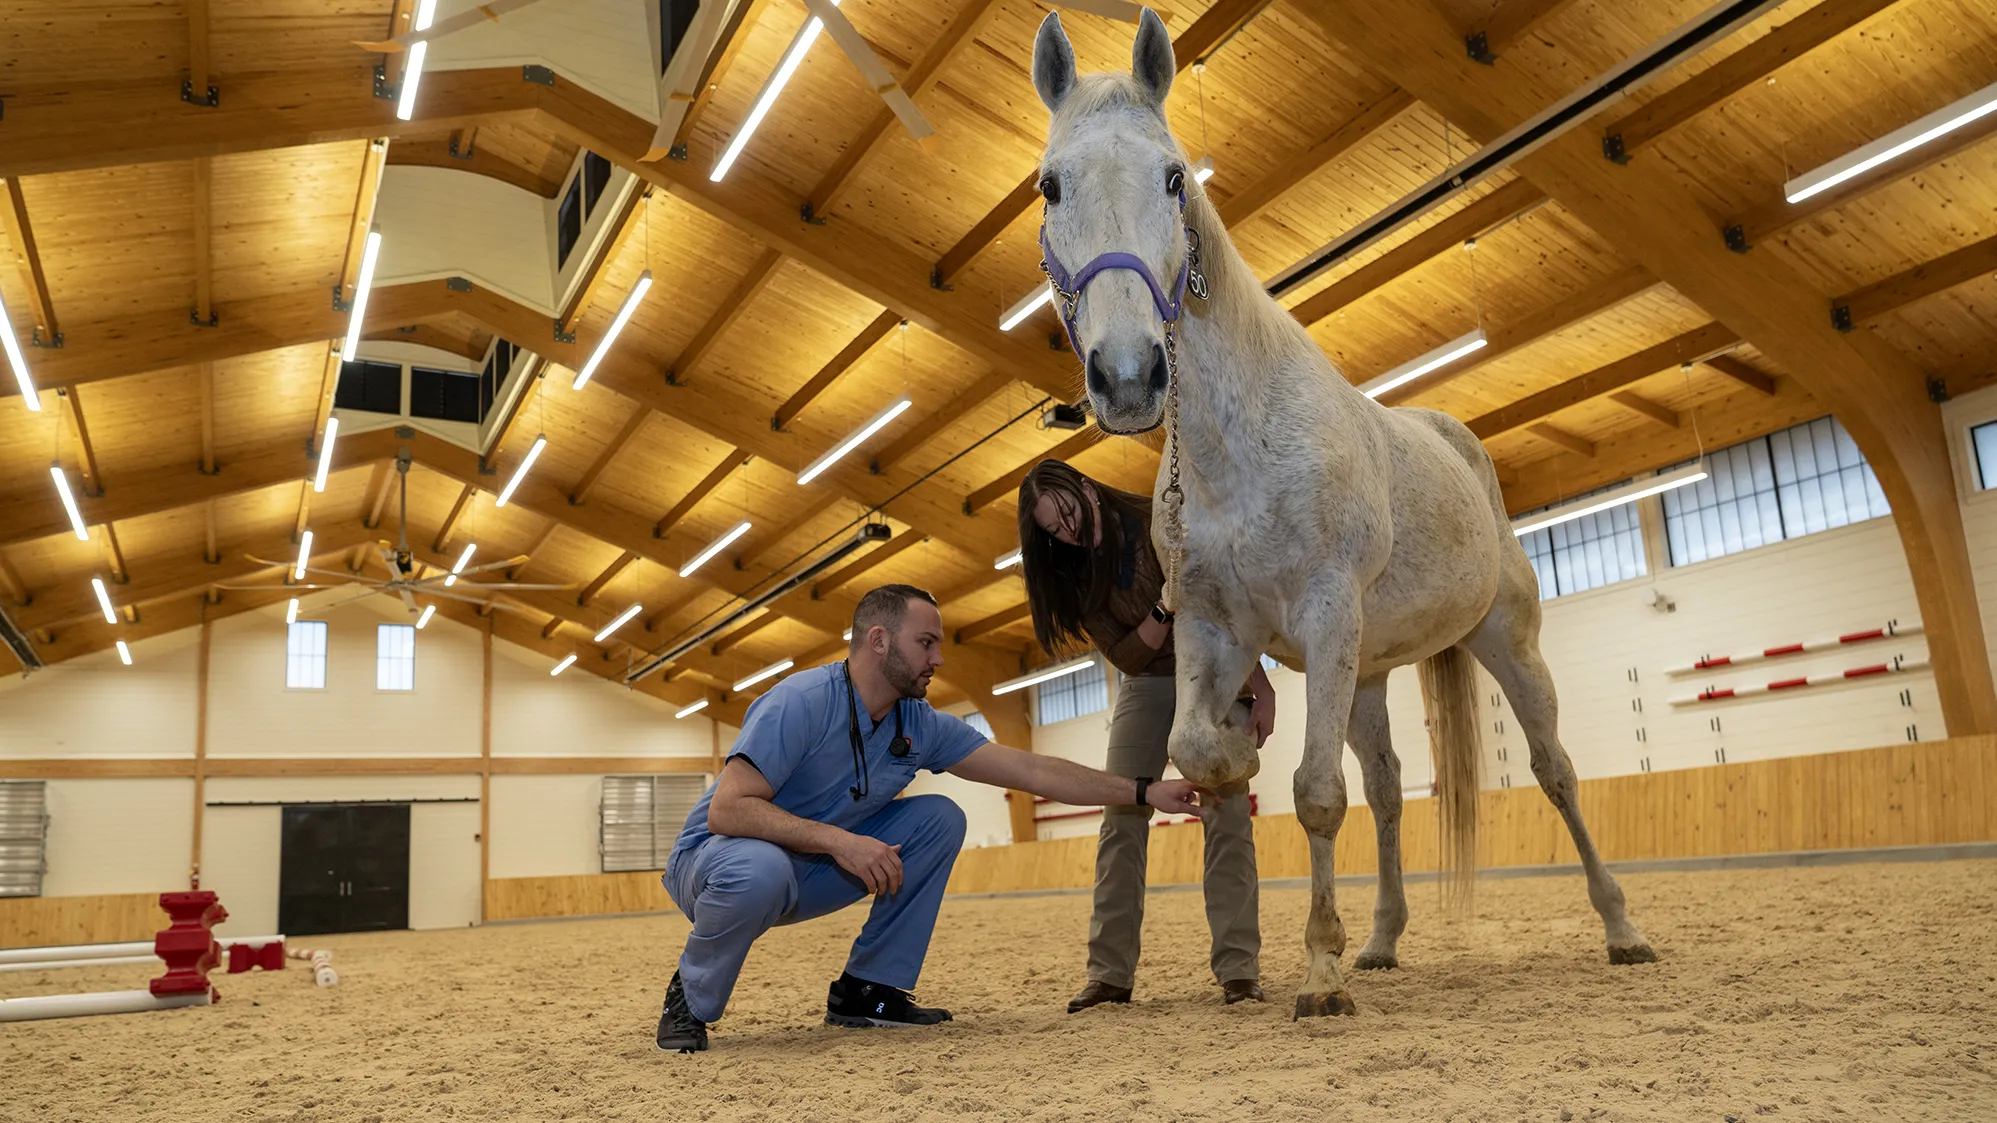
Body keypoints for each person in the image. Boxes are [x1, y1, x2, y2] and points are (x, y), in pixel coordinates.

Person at [655, 583, 1210, 1053]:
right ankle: (690, 998)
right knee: (760, 869)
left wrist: (1143, 790)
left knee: (939, 818)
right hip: (717, 865)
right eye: (925, 643)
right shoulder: (799, 701)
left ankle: (868, 992)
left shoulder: (917, 723)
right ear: (878, 641)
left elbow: (1032, 770)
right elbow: (730, 810)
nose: (938, 659)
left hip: (814, 867)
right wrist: (841, 841)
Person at [1016, 460, 1276, 1012]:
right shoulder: (1071, 573)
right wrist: (1164, 606)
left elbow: (1222, 605)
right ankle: (1109, 974)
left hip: (1211, 671)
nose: (1068, 531)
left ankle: (1239, 971)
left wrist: (1261, 685)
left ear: (1087, 488)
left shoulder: (1155, 516)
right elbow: (1128, 654)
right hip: (1146, 681)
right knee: (1121, 819)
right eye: (1053, 530)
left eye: (1068, 513)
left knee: (1228, 817)